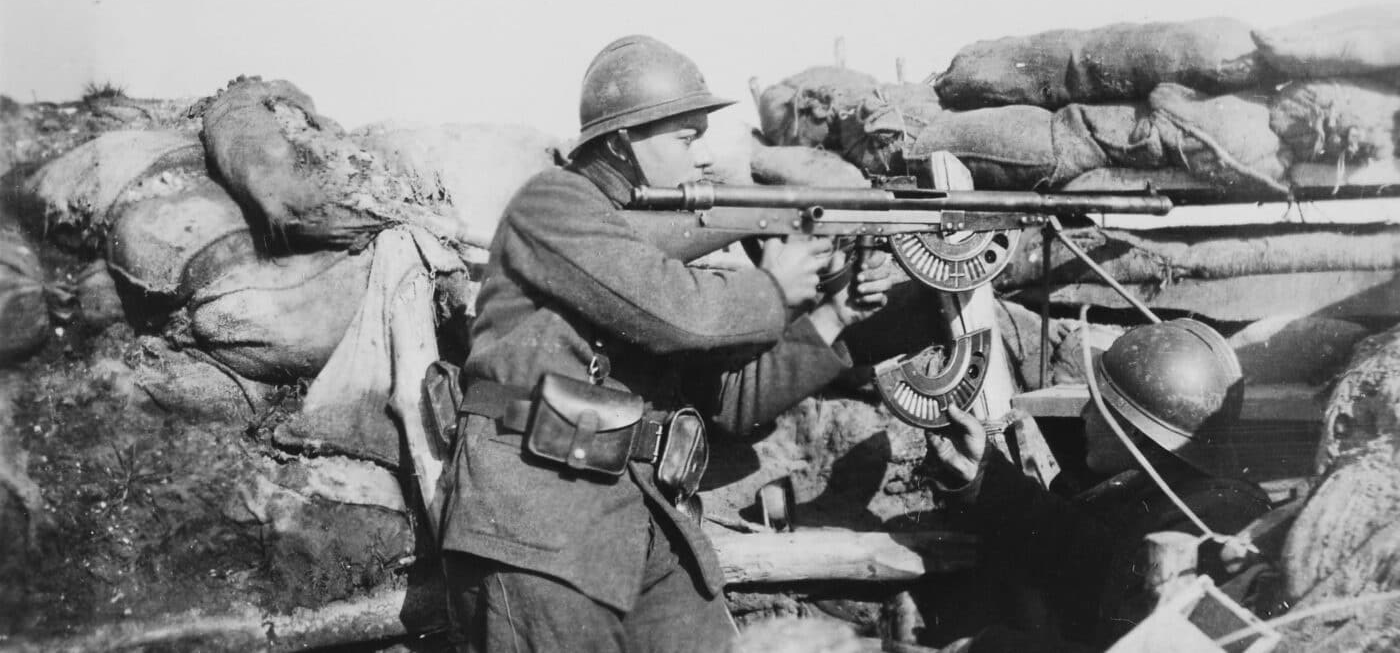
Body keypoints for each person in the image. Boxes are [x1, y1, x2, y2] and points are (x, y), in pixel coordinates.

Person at [436, 35, 894, 652]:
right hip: (537, 528)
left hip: (641, 523)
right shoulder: (552, 203)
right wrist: (773, 292)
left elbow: (732, 401)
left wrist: (835, 315)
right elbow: (680, 316)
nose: (702, 158)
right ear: (626, 140)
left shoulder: (646, 251)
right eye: (686, 138)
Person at [922, 318, 1272, 653]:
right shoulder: (1181, 497)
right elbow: (1084, 552)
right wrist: (983, 472)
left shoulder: (1200, 527)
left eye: (1098, 403)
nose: (1085, 414)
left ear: (1134, 430)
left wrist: (989, 648)